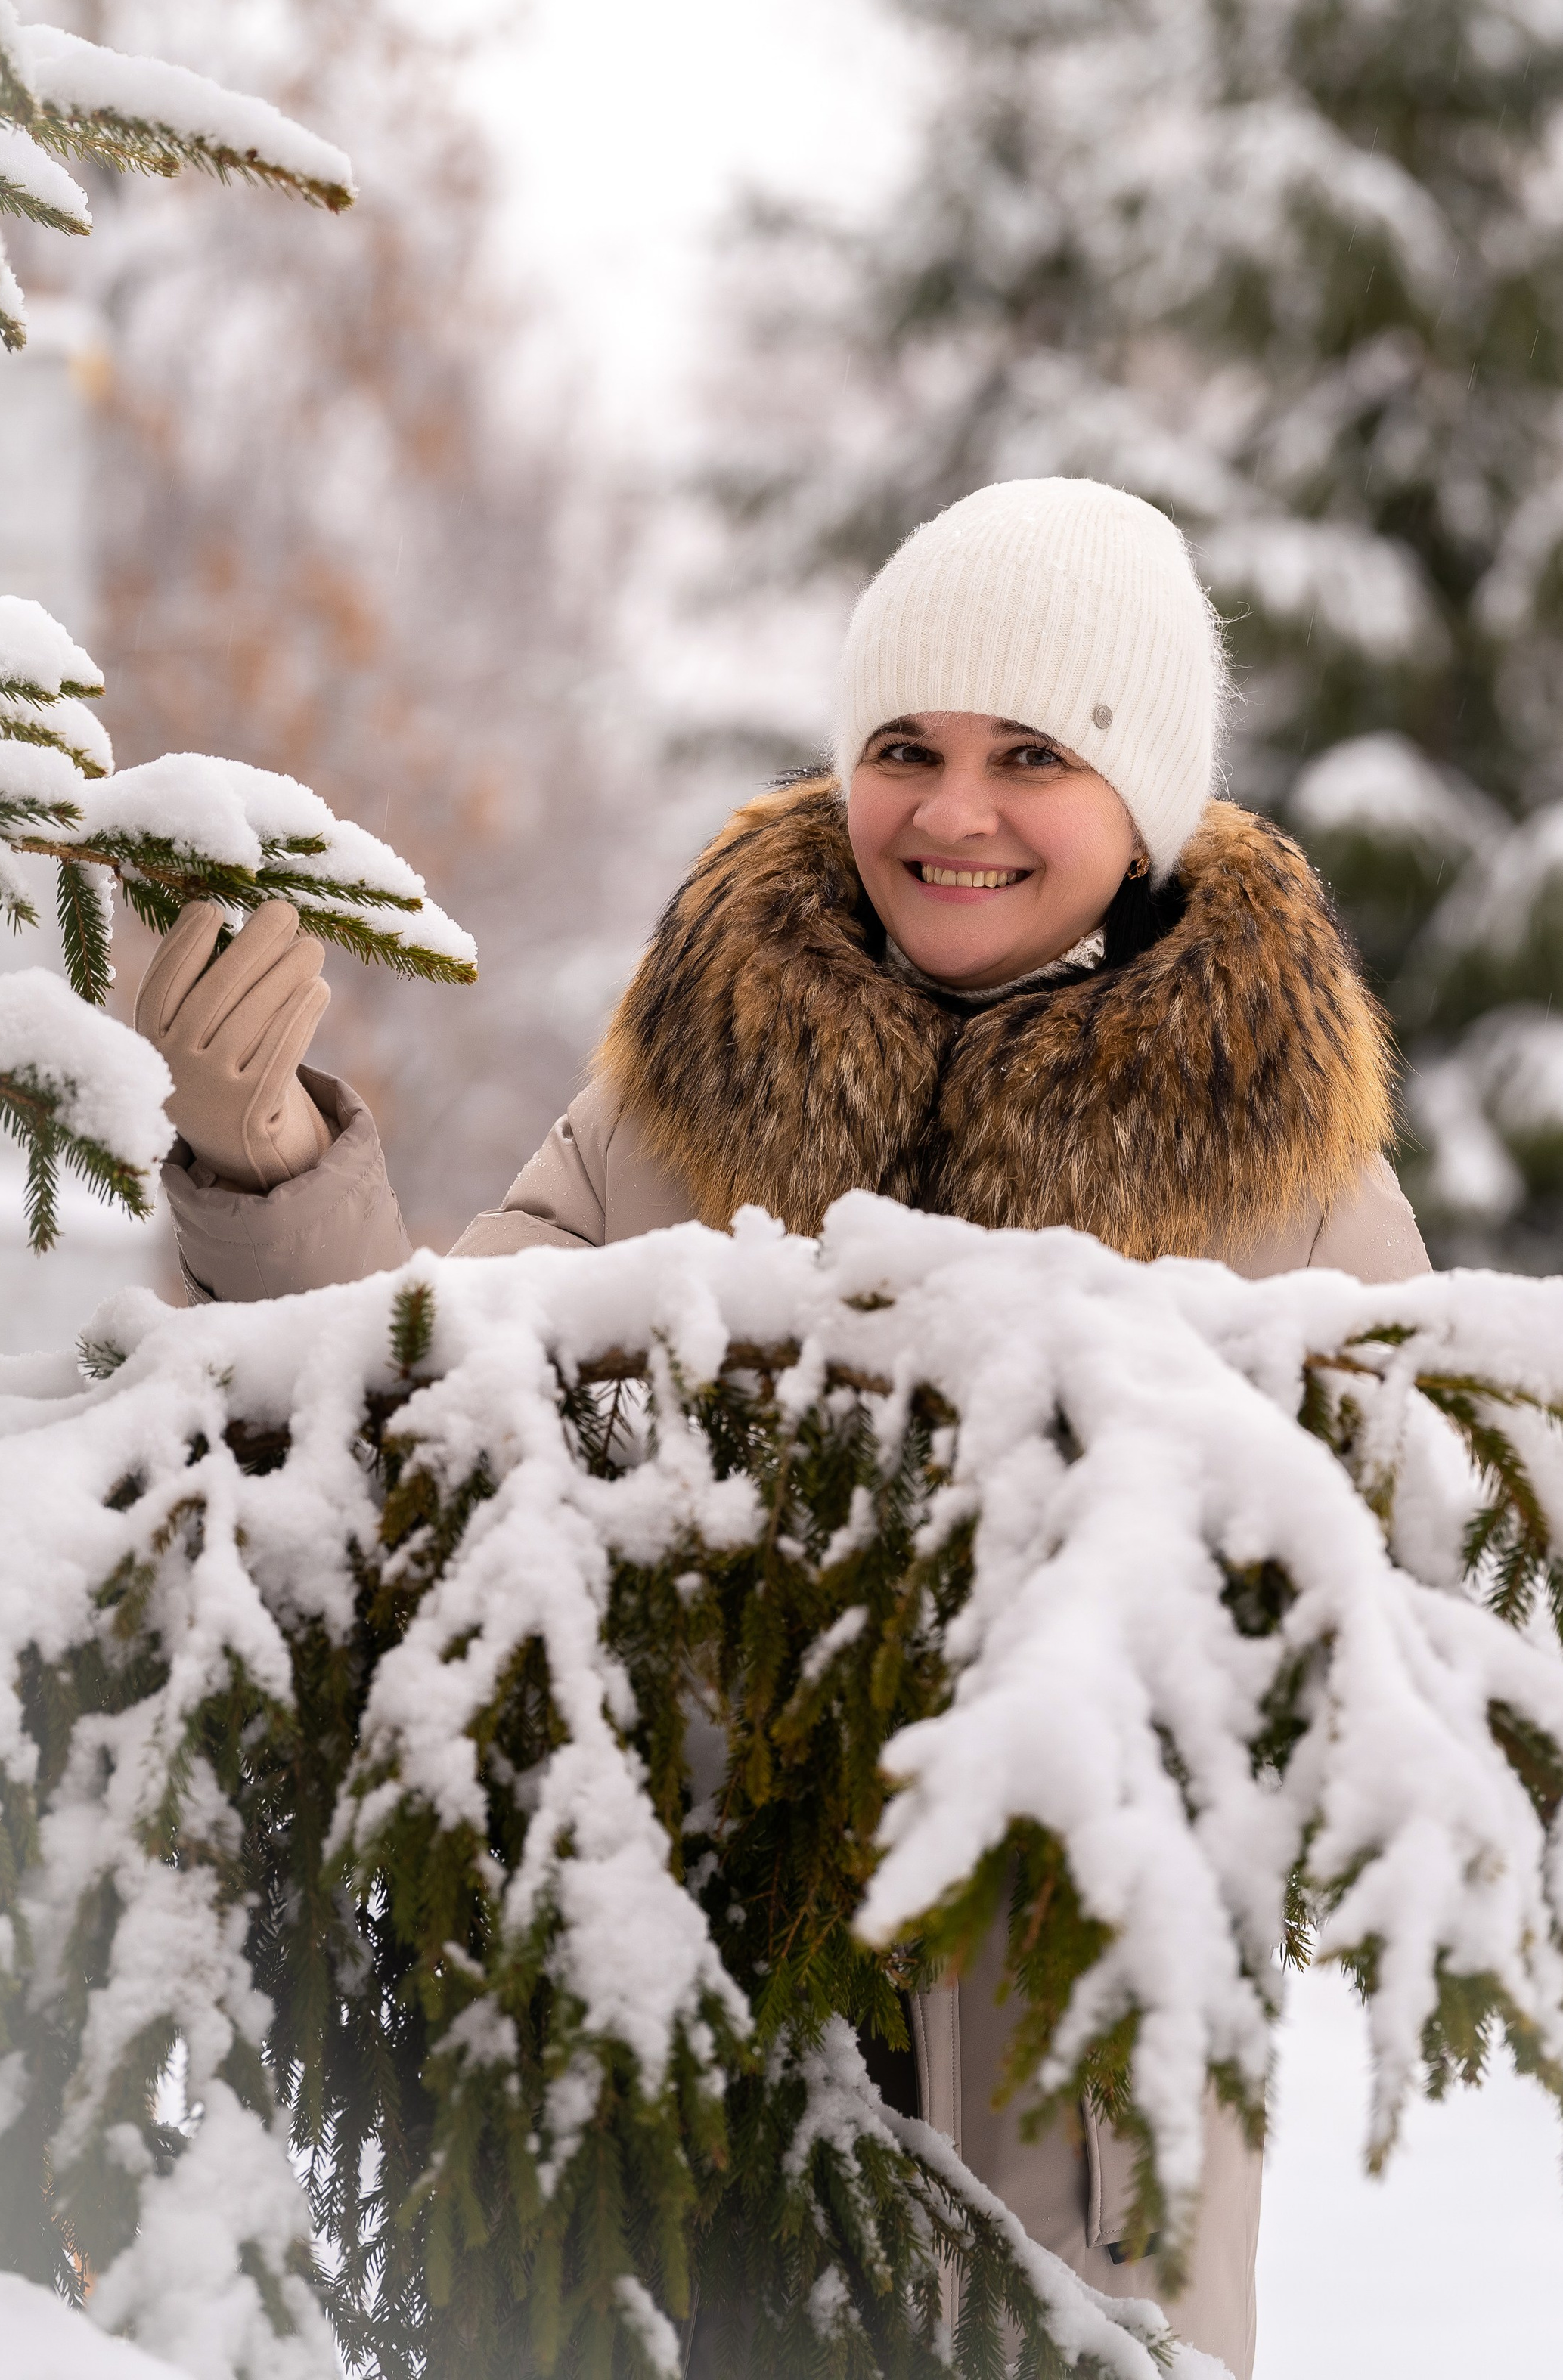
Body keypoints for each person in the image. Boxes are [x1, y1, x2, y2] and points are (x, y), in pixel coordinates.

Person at [134, 476, 1428, 2377]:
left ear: (1139, 799)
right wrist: (259, 1151)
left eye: (1031, 756)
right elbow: (423, 1411)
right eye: (902, 746)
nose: (951, 810)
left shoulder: (1288, 1173)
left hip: (1058, 2188)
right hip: (682, 2110)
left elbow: (1388, 1662)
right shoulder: (672, 1098)